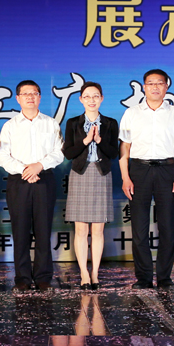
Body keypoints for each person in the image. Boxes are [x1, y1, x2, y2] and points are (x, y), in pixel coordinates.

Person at [118, 69, 174, 289]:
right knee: (139, 228)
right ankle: (144, 278)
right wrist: (125, 177)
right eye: (150, 83)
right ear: (144, 87)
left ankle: (165, 277)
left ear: (167, 86)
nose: (155, 87)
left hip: (167, 170)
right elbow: (124, 147)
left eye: (159, 83)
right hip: (139, 170)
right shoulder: (132, 113)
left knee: (167, 227)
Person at [0, 80, 65, 291]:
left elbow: (59, 152)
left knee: (43, 230)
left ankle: (43, 277)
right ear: (18, 99)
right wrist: (25, 170)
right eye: (25, 94)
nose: (30, 97)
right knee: (20, 231)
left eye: (34, 93)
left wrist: (39, 166)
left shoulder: (51, 123)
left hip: (44, 179)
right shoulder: (10, 126)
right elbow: (2, 155)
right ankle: (23, 278)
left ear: (39, 97)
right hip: (19, 181)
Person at [62, 81, 119, 290]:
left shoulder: (110, 123)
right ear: (81, 99)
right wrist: (86, 140)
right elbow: (68, 153)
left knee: (98, 229)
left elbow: (114, 153)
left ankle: (95, 273)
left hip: (102, 174)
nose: (91, 100)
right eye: (87, 96)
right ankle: (83, 274)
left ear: (101, 98)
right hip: (80, 173)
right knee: (80, 229)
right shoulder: (73, 123)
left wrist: (100, 140)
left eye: (95, 96)